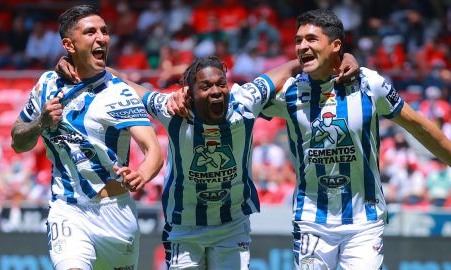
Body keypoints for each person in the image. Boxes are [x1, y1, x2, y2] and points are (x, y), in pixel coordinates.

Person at [57, 45, 358, 270]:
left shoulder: (245, 102)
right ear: (189, 92)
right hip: (184, 228)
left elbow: (290, 68)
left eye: (220, 84)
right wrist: (77, 63)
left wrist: (340, 56)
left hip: (232, 225)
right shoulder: (172, 109)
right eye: (206, 86)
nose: (216, 91)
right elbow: (124, 84)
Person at [258, 9, 451, 269]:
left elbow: (420, 127)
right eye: (298, 40)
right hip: (312, 221)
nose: (302, 46)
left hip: (364, 222)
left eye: (311, 39)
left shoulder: (370, 84)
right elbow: (241, 103)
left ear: (335, 45)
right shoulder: (290, 92)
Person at [11, 5, 163, 270]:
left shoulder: (120, 92)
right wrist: (40, 123)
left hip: (115, 213)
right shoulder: (46, 85)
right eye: (91, 31)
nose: (101, 38)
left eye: (104, 31)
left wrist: (142, 174)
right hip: (67, 210)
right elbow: (18, 142)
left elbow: (153, 150)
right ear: (69, 44)